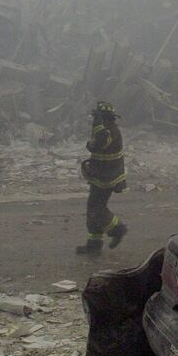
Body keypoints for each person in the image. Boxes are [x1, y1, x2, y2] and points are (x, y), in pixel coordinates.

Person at [76, 101, 127, 256]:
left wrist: (97, 124)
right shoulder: (108, 129)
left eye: (96, 116)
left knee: (97, 208)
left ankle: (117, 229)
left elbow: (97, 144)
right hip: (101, 176)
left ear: (101, 116)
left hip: (106, 179)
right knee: (92, 207)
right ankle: (94, 243)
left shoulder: (108, 130)